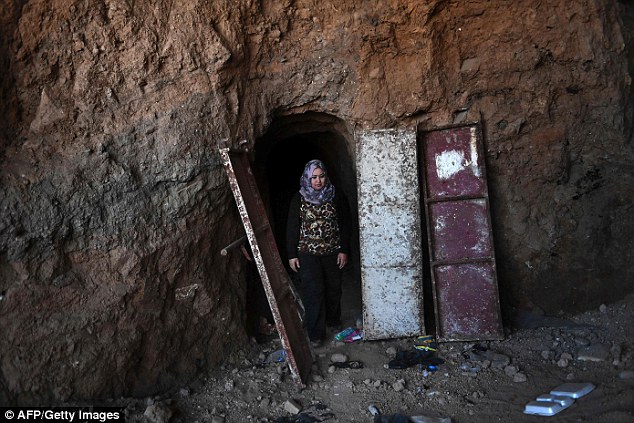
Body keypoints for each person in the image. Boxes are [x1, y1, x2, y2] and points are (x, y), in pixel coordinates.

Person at [286, 159, 351, 347]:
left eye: (321, 176)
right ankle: (316, 334)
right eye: (314, 177)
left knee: (333, 288)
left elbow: (345, 223)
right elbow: (292, 227)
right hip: (307, 253)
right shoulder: (298, 198)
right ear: (307, 177)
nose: (318, 181)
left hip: (332, 251)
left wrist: (344, 250)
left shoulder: (335, 196)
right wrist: (292, 254)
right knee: (313, 291)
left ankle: (333, 321)